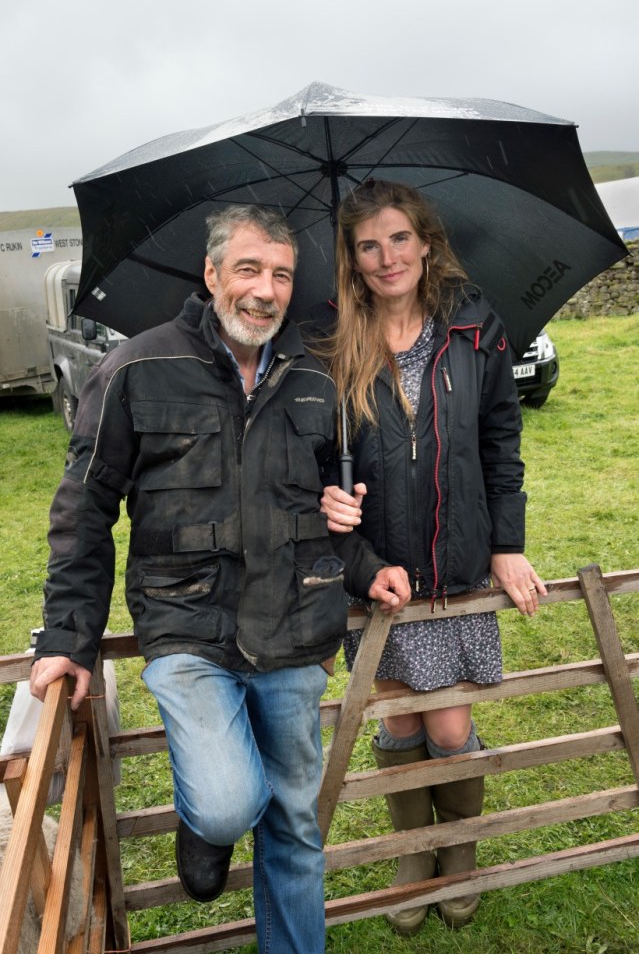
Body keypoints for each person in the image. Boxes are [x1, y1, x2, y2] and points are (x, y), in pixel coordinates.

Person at [29, 204, 411, 954]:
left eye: (280, 274)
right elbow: (85, 506)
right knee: (232, 800)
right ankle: (209, 827)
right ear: (210, 275)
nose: (265, 291)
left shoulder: (314, 376)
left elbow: (328, 509)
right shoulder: (137, 367)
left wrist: (364, 564)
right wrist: (68, 635)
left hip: (296, 628)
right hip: (186, 629)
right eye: (247, 269)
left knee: (297, 825)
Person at [320, 179, 547, 934]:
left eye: (398, 238)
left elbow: (499, 442)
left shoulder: (474, 324)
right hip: (376, 567)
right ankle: (413, 850)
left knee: (447, 726)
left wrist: (506, 545)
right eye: (367, 245)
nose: (386, 258)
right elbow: (313, 453)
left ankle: (460, 849)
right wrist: (334, 502)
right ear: (351, 259)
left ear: (424, 241)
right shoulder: (329, 343)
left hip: (452, 561)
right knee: (396, 717)